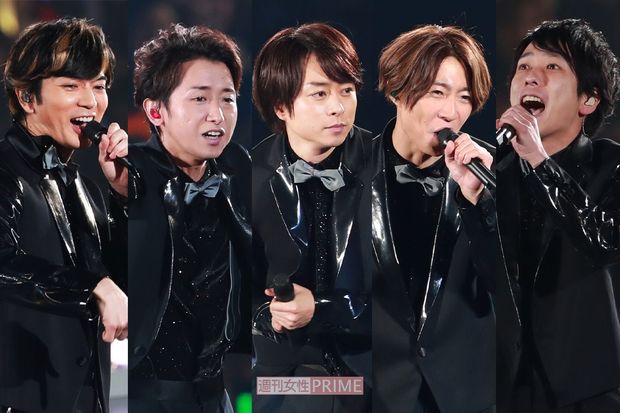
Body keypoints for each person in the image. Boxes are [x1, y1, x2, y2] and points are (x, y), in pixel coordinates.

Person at [0, 17, 128, 413]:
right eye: (71, 86)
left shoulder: (86, 187)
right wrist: (92, 287)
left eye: (99, 86)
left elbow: (130, 284)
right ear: (27, 97)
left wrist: (124, 195)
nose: (90, 101)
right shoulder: (5, 172)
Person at [496, 19, 620, 413]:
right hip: (504, 388)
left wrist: (539, 160)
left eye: (552, 66)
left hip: (589, 393)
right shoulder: (491, 173)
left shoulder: (611, 167)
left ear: (589, 100)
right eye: (524, 66)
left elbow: (603, 242)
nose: (531, 77)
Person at [372, 25, 496, 413]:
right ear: (396, 90)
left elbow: (515, 282)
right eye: (437, 92)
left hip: (466, 397)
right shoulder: (349, 173)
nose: (451, 112)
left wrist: (478, 201)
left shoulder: (492, 174)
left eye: (464, 97)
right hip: (377, 395)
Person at [128, 23, 251, 413]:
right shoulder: (131, 174)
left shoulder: (237, 169)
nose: (217, 114)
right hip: (144, 394)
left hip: (216, 391)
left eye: (227, 99)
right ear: (156, 111)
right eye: (199, 98)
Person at [251, 22, 373, 412]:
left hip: (372, 372)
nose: (338, 106)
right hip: (284, 376)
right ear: (281, 106)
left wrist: (319, 309)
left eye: (347, 90)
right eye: (319, 93)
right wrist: (271, 313)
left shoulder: (384, 166)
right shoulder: (249, 175)